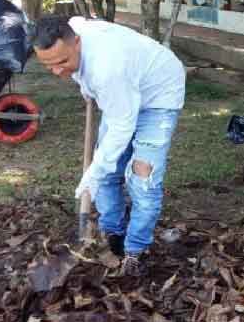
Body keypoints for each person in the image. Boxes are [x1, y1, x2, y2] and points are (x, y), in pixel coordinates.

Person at [29, 15, 185, 276]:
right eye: (48, 66)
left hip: (158, 94)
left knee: (142, 177)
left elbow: (122, 126)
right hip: (121, 94)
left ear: (77, 43)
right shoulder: (73, 29)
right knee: (108, 173)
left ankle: (134, 251)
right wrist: (82, 83)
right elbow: (79, 19)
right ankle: (113, 233)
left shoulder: (107, 69)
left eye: (63, 62)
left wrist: (94, 171)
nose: (57, 71)